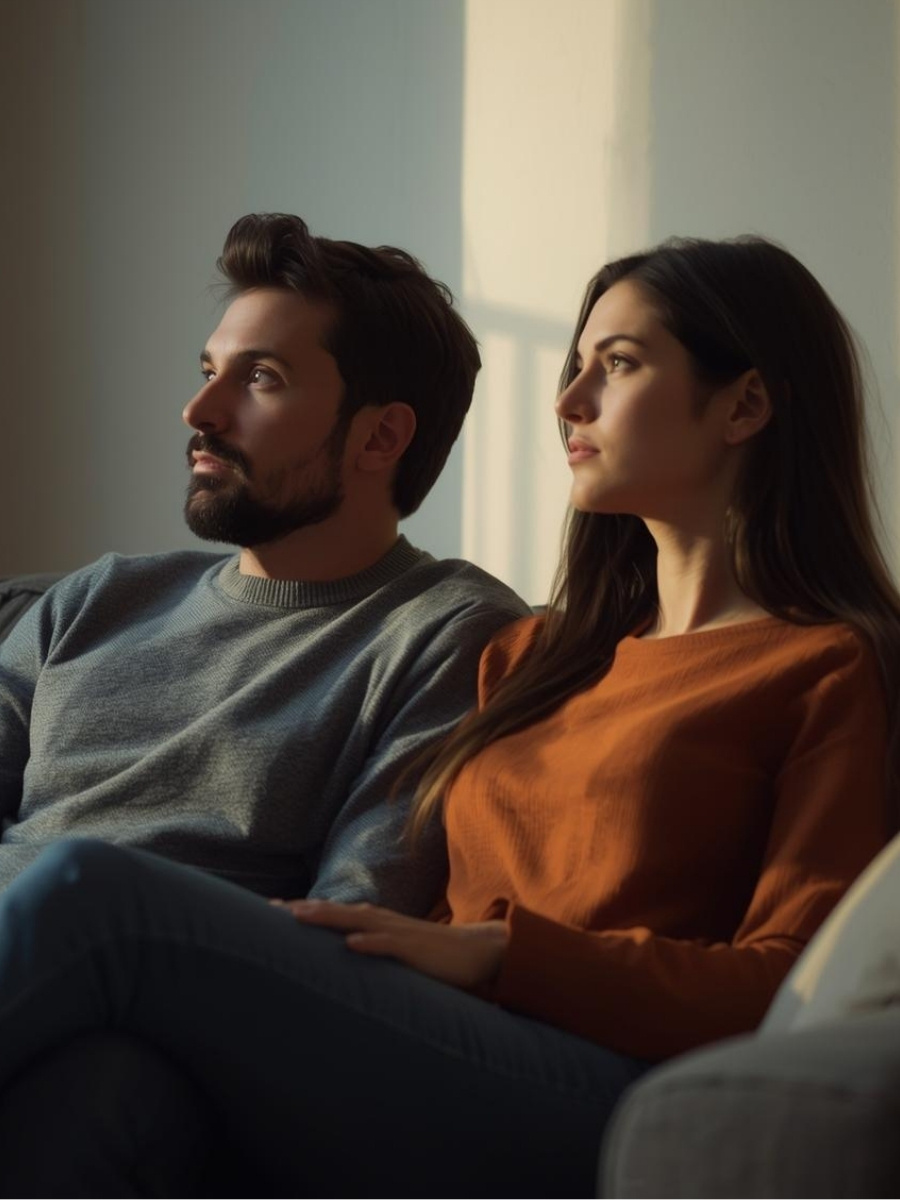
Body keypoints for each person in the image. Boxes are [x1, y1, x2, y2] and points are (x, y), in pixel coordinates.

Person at [0, 234, 896, 1199]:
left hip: (591, 1074)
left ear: (745, 405)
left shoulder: (828, 667)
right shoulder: (534, 656)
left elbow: (788, 982)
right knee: (106, 1093)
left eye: (619, 364)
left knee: (93, 888)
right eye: (575, 365)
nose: (569, 400)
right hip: (425, 1031)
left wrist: (506, 954)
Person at [0, 212, 528, 911]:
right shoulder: (94, 598)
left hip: (168, 969)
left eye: (260, 377)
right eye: (208, 372)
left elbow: (351, 918)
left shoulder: (447, 634)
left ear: (380, 437)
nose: (199, 410)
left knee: (77, 880)